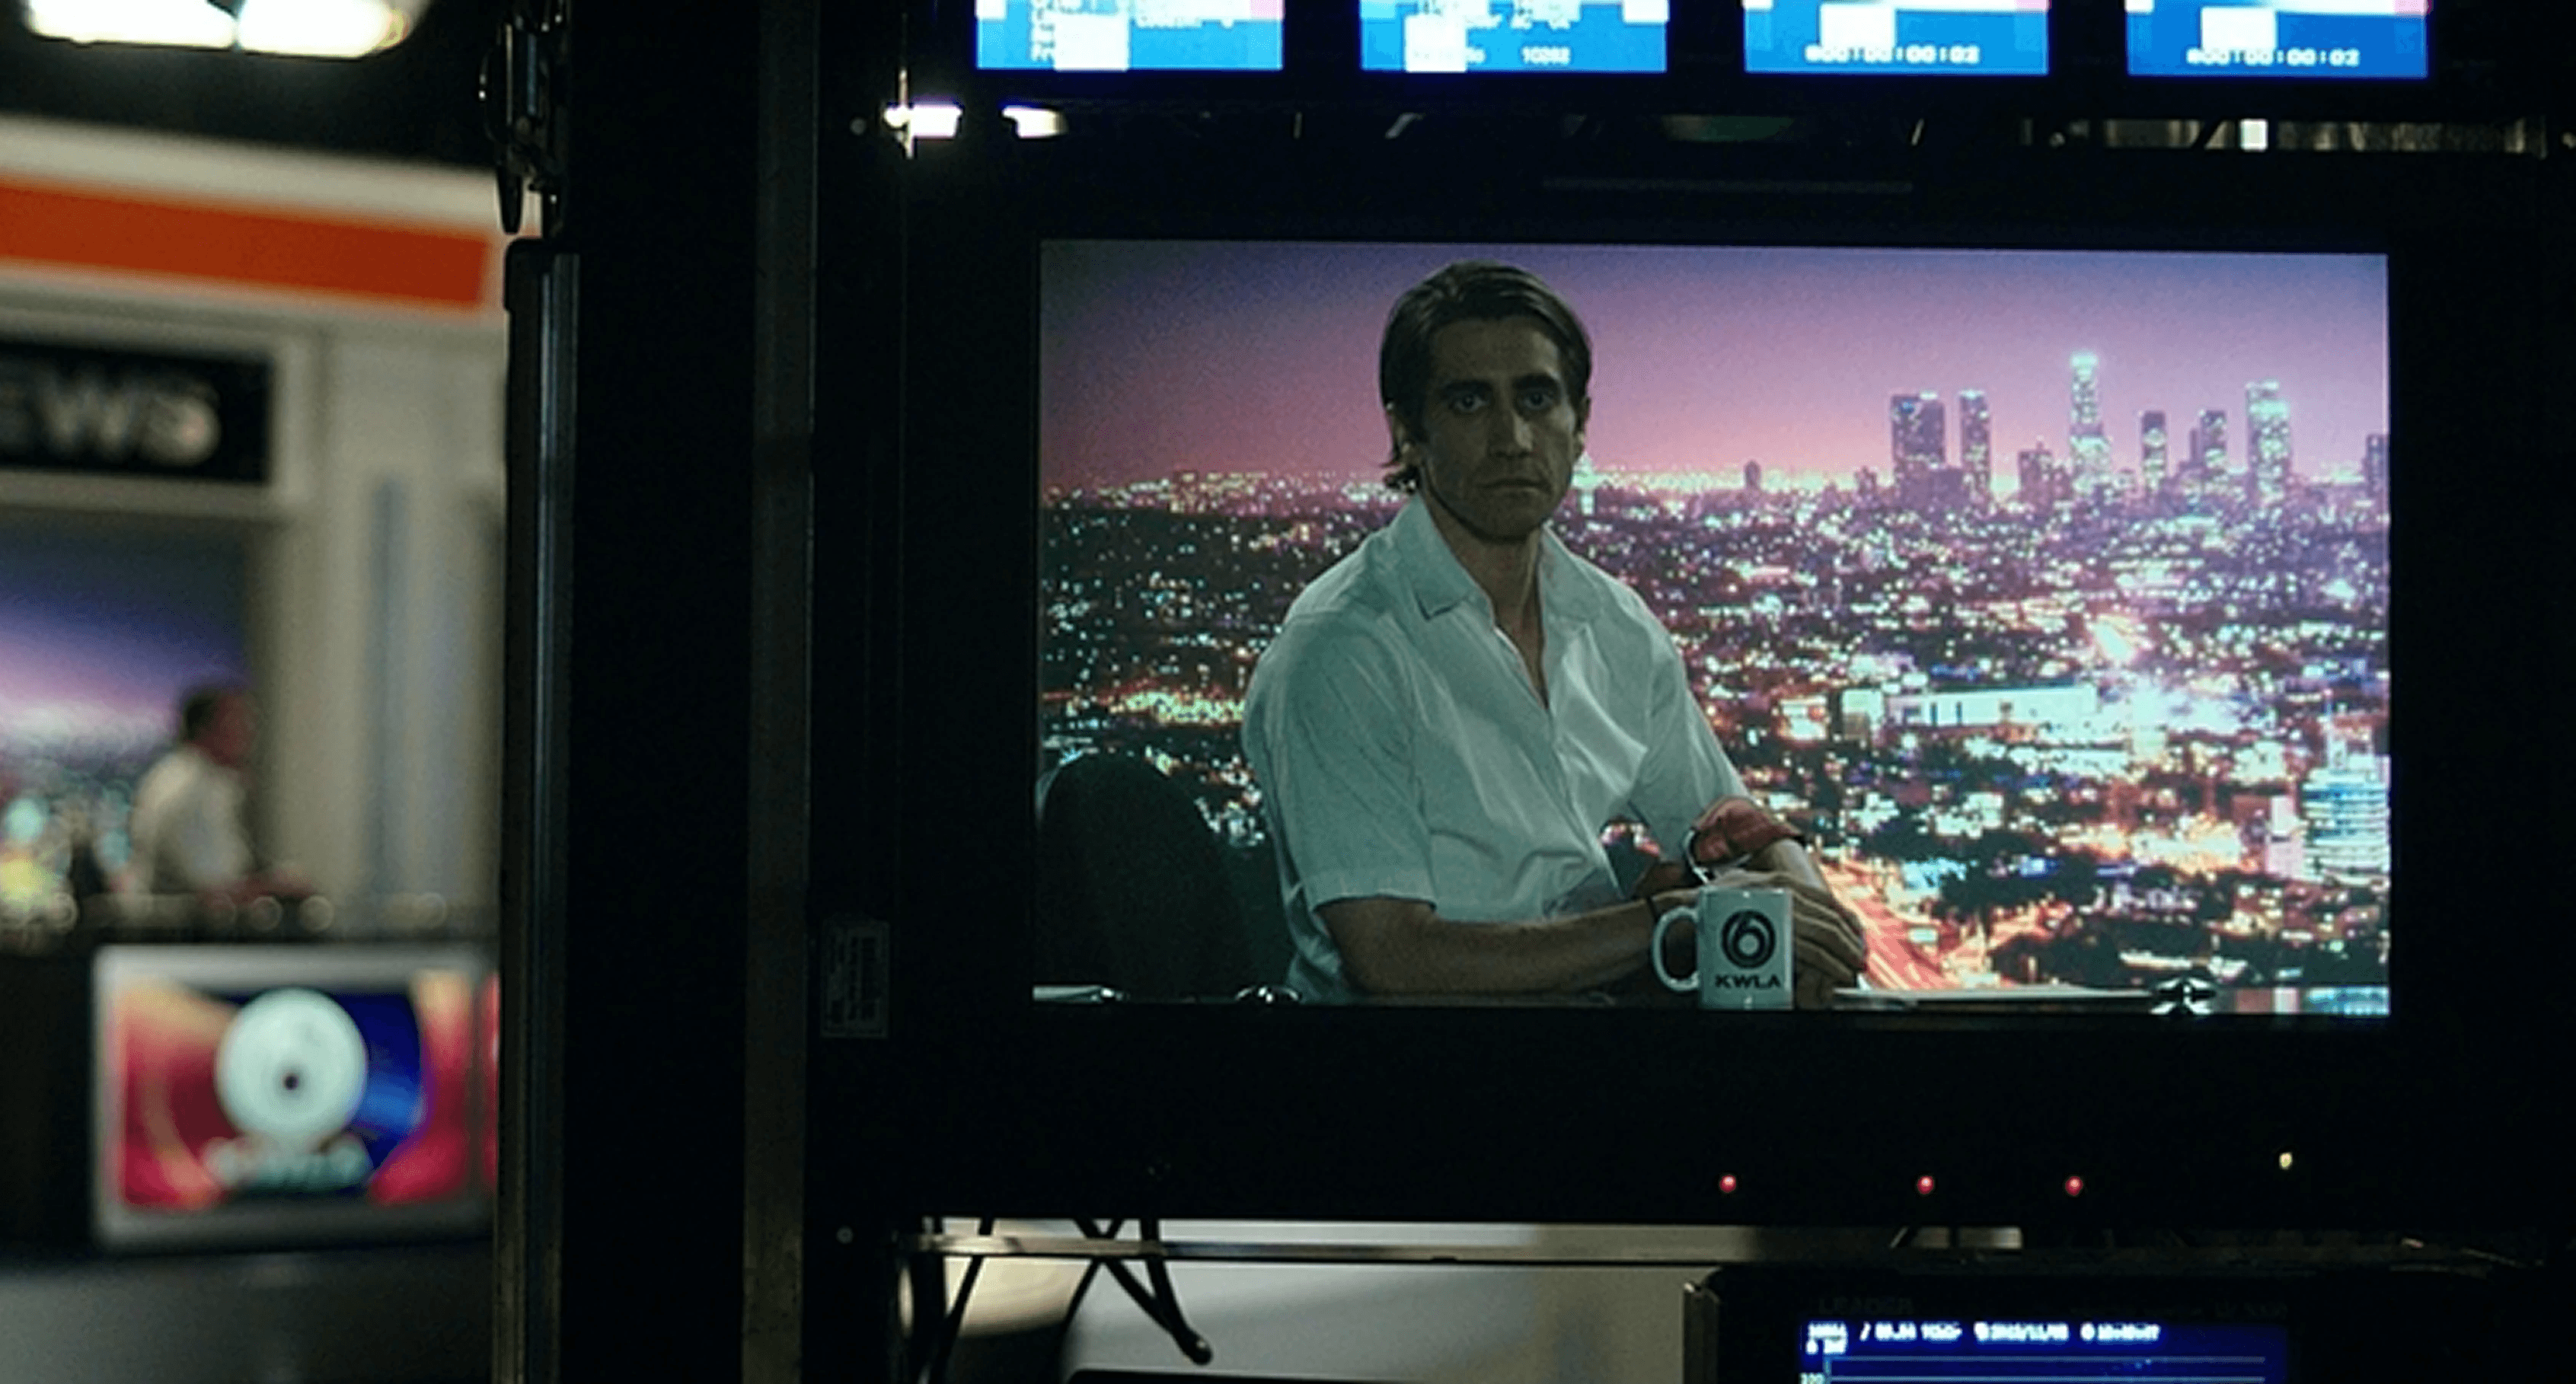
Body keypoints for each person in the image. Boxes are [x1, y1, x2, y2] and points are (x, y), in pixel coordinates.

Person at [1240, 260, 1867, 1004]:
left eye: (1536, 399)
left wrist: (1795, 891)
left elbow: (1729, 829)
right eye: (1469, 401)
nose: (1511, 437)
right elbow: (1395, 961)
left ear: (1579, 426)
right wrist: (1672, 920)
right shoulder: (1343, 648)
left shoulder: (1612, 623)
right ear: (1408, 432)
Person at [125, 685, 306, 905]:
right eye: (238, 724)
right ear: (206, 731)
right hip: (187, 922)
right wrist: (278, 886)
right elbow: (216, 888)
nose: (248, 734)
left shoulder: (189, 777)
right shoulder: (191, 792)